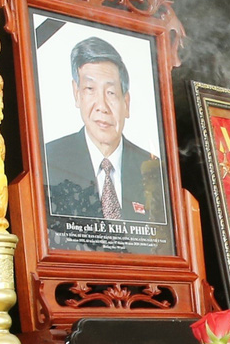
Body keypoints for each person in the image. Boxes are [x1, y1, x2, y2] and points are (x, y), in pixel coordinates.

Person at [44, 36, 167, 223]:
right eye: (90, 89)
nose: (101, 106)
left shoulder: (152, 170)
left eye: (111, 93)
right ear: (77, 94)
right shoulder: (48, 160)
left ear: (126, 103)